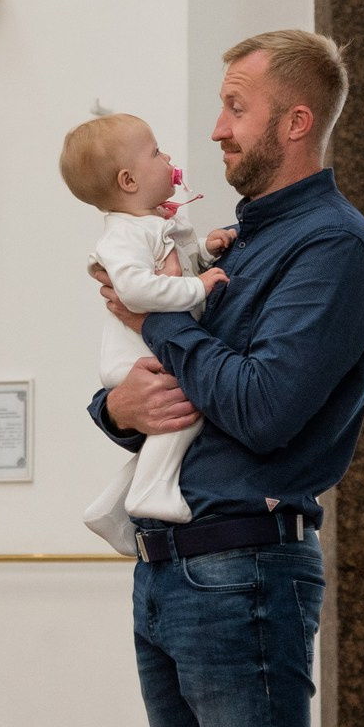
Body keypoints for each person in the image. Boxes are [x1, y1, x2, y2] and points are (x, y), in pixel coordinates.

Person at [90, 30, 364, 727]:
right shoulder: (237, 242)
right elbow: (159, 395)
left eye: (236, 107)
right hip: (167, 567)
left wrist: (157, 319)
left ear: (295, 122)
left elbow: (260, 408)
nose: (216, 129)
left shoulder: (331, 246)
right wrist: (117, 401)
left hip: (243, 567)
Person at [61, 112, 228, 552]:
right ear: (129, 180)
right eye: (156, 152)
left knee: (174, 422)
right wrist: (197, 284)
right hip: (135, 358)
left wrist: (205, 257)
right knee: (187, 411)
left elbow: (181, 275)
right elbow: (135, 290)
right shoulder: (122, 235)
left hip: (153, 350)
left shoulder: (151, 224)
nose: (168, 157)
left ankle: (111, 505)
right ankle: (150, 493)